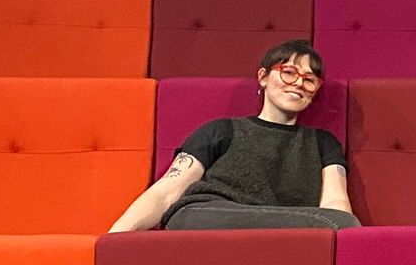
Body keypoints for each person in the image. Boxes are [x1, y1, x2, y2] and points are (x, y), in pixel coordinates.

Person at [109, 39, 359, 232]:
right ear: (263, 77)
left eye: (309, 79)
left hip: (286, 228)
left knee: (341, 223)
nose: (298, 83)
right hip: (209, 217)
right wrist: (113, 240)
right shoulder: (220, 130)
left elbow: (335, 201)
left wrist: (343, 237)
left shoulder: (323, 143)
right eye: (289, 72)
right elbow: (166, 192)